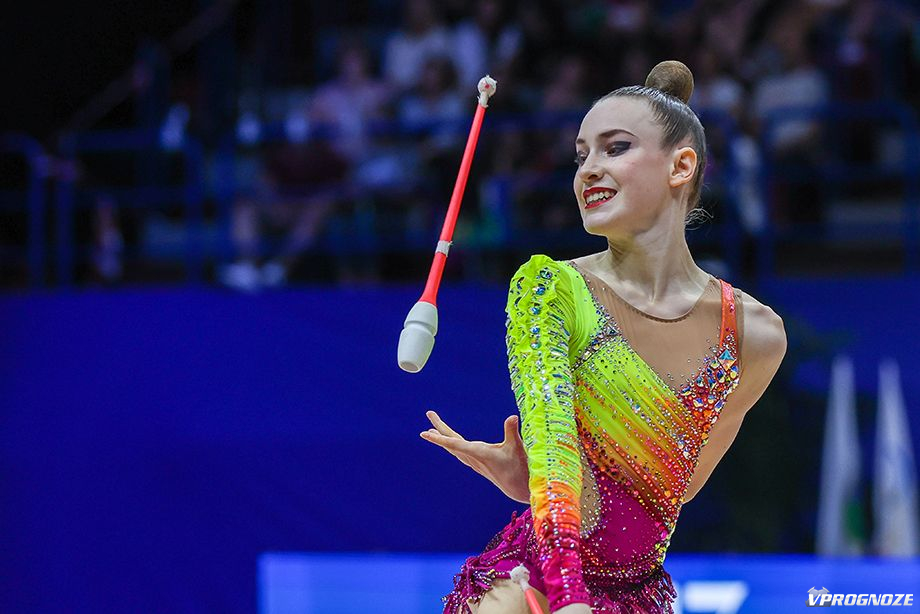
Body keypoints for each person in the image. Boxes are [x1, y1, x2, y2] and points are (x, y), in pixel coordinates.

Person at [420, 61, 787, 614]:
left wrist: (578, 477)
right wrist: (568, 598)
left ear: (681, 165)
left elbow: (677, 486)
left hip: (638, 595)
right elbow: (554, 448)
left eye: (615, 148)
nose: (589, 169)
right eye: (581, 156)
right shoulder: (550, 289)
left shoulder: (754, 335)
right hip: (535, 581)